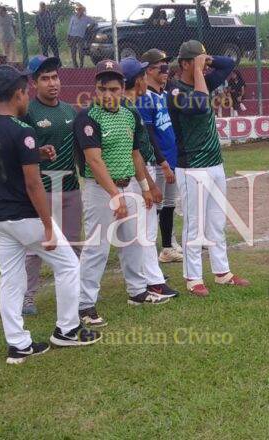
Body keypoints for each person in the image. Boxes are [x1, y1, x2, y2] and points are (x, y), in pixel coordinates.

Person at [0, 65, 101, 363]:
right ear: (19, 94)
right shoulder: (23, 130)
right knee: (68, 265)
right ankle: (68, 329)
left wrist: (37, 152)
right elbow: (34, 184)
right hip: (24, 216)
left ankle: (18, 343)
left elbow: (9, 163)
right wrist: (48, 225)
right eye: (24, 92)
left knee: (11, 277)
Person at [75, 59, 171, 317]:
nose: (108, 95)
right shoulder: (87, 117)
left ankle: (137, 291)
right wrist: (115, 196)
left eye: (114, 89)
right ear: (95, 89)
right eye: (102, 89)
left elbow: (135, 154)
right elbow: (94, 160)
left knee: (133, 242)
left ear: (122, 89)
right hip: (101, 190)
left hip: (128, 184)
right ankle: (84, 304)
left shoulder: (128, 114)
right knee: (97, 247)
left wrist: (144, 187)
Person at [167, 40, 250, 296]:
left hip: (214, 163)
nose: (202, 68)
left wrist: (207, 59)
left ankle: (222, 272)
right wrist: (201, 72)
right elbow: (201, 103)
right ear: (184, 64)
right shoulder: (175, 91)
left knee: (216, 222)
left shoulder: (201, 81)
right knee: (194, 225)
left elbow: (230, 65)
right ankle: (193, 277)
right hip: (192, 166)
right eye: (196, 62)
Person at [20, 55, 82, 316]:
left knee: (72, 244)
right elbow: (21, 153)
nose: (52, 83)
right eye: (44, 78)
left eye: (55, 77)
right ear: (34, 84)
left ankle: (70, 293)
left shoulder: (71, 111)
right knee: (36, 246)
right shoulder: (28, 112)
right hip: (41, 190)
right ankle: (27, 297)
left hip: (70, 187)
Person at [120, 57, 180, 300]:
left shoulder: (130, 106)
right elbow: (136, 153)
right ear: (137, 81)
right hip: (136, 176)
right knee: (144, 230)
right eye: (143, 76)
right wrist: (149, 184)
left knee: (137, 232)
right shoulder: (128, 108)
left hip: (138, 174)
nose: (146, 80)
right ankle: (151, 281)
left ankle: (144, 280)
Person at [137, 48, 183, 264]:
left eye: (167, 67)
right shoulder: (144, 98)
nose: (166, 71)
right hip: (158, 162)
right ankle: (149, 251)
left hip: (172, 159)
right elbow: (149, 133)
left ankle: (167, 246)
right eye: (161, 67)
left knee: (169, 204)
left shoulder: (165, 95)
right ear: (148, 70)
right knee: (156, 207)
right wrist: (162, 162)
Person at [68, 3, 93, 68]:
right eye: (78, 9)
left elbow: (94, 22)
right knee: (73, 51)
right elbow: (70, 27)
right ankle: (75, 65)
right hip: (72, 36)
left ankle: (81, 65)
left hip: (81, 37)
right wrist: (68, 36)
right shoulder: (73, 17)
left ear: (83, 10)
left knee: (81, 51)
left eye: (80, 9)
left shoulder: (86, 18)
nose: (79, 11)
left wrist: (89, 28)